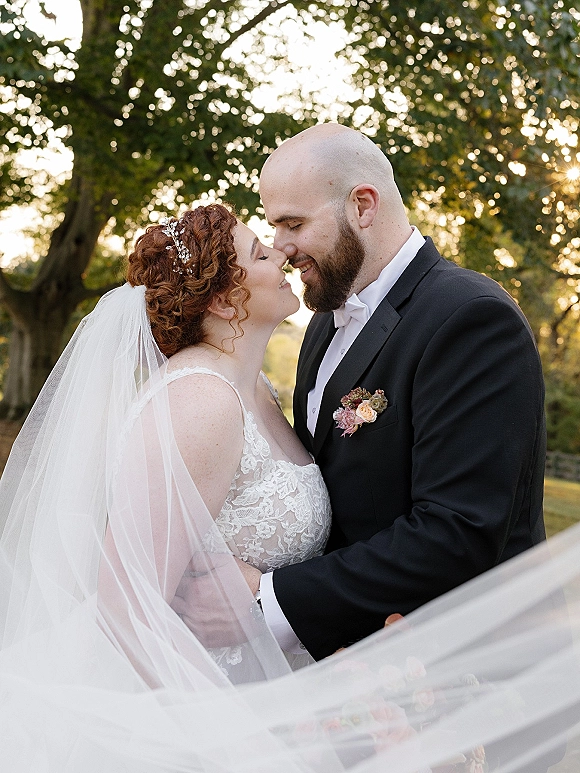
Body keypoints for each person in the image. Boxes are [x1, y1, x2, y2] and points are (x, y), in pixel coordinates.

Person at [0, 200, 578, 773]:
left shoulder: (257, 392)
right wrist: (233, 735)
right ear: (228, 299)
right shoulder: (201, 401)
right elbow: (125, 600)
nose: (279, 250)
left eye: (283, 230)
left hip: (278, 684)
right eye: (259, 250)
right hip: (190, 706)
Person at [242, 122, 548, 661]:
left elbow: (457, 531)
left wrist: (270, 601)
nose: (280, 249)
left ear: (362, 206)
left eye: (293, 224)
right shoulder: (322, 322)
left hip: (454, 675)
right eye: (273, 228)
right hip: (345, 667)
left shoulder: (470, 318)